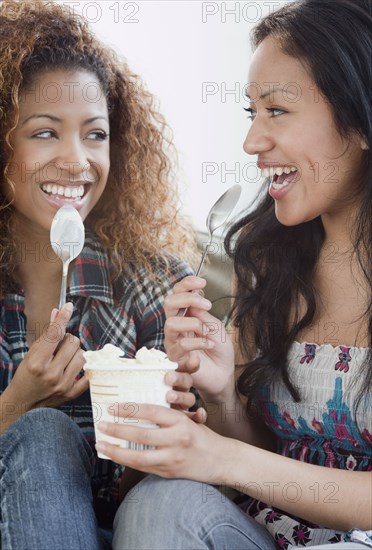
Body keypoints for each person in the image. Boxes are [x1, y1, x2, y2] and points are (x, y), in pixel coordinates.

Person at [96, 0, 372, 548]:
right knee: (159, 503)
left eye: (278, 110)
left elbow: (241, 462)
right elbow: (265, 459)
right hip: (267, 533)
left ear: (359, 120)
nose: (252, 142)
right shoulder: (268, 259)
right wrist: (221, 394)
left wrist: (221, 456)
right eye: (252, 112)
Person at [0, 0, 199, 548]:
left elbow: (152, 501)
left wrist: (159, 433)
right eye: (44, 133)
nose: (76, 160)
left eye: (95, 134)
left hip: (122, 532)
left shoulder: (156, 285)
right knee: (38, 430)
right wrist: (19, 401)